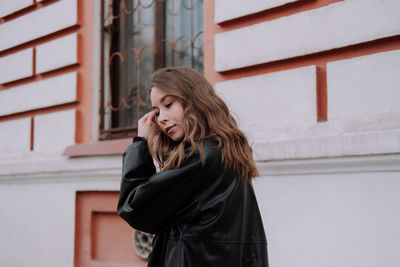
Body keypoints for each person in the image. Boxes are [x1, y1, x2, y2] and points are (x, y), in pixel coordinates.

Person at [117, 66, 269, 267]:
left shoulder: (202, 158)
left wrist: (140, 145)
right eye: (156, 111)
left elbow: (135, 207)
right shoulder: (227, 151)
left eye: (168, 104)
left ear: (193, 100)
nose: (161, 118)